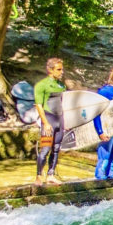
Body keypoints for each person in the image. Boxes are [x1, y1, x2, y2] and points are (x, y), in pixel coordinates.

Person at [34, 57, 67, 185]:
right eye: (59, 70)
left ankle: (50, 175)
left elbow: (63, 103)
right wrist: (45, 123)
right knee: (45, 149)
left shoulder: (61, 85)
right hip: (49, 121)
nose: (61, 72)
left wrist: (66, 121)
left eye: (62, 69)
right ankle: (38, 176)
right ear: (50, 70)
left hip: (60, 121)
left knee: (56, 148)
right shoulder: (41, 85)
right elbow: (39, 105)